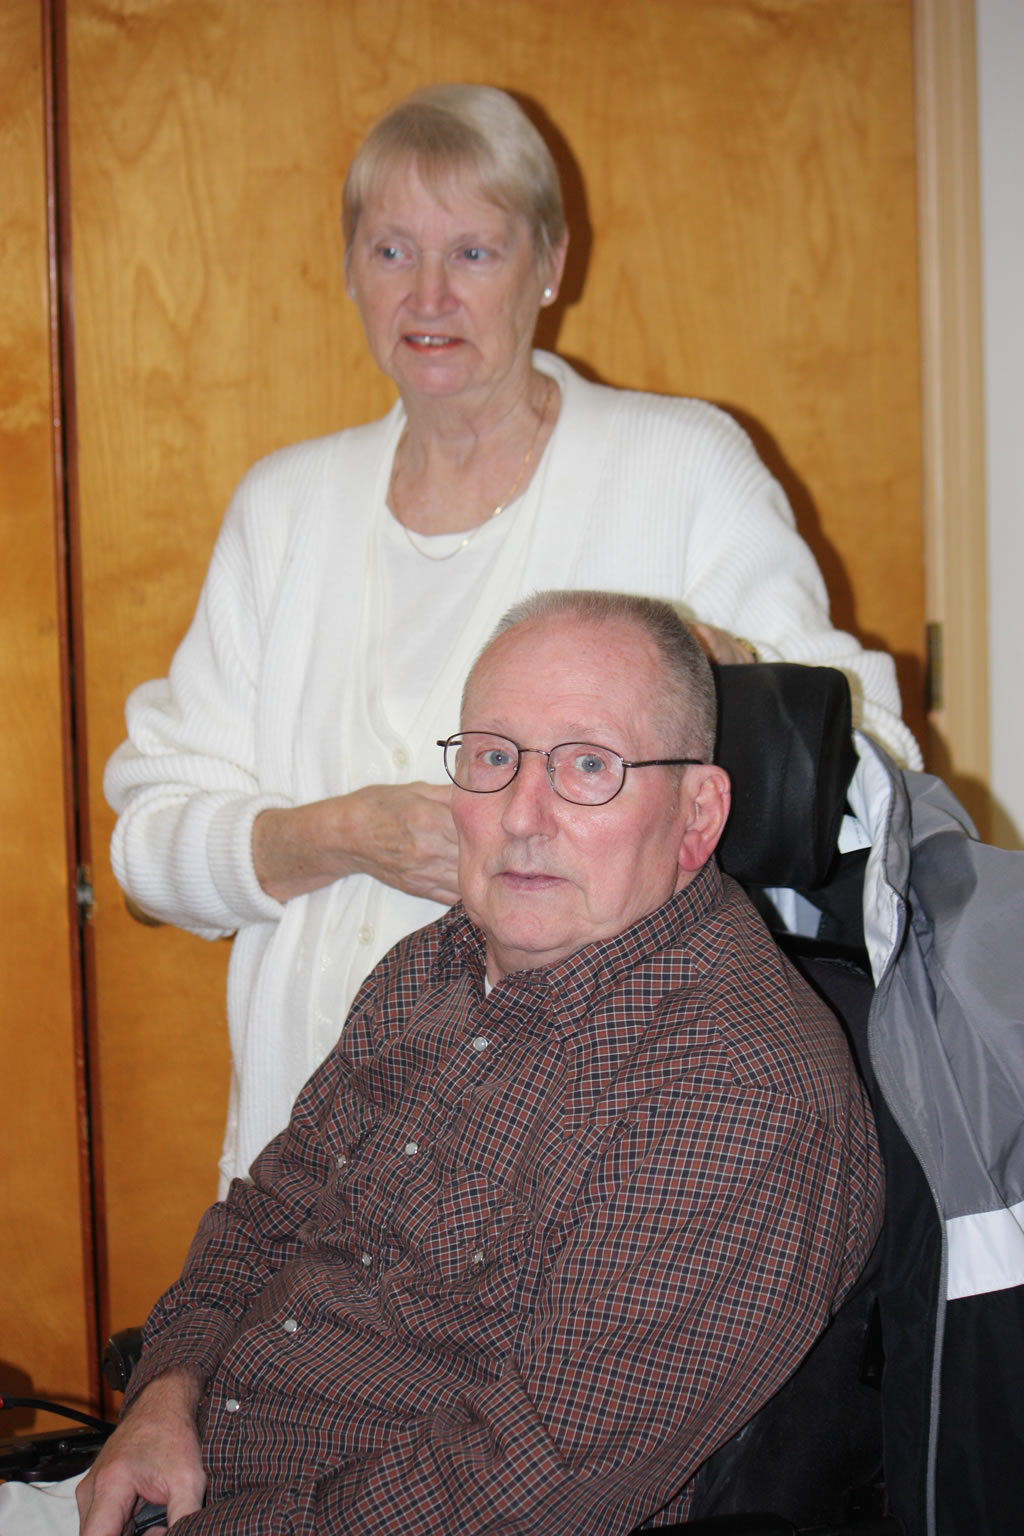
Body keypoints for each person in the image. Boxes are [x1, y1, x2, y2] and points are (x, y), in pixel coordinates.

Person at [104, 82, 921, 1189]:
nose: (428, 294)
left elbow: (873, 770)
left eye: (474, 252)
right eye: (392, 250)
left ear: (551, 263)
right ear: (348, 269)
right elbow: (149, 850)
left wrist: (724, 670)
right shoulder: (281, 509)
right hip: (306, 1171)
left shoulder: (681, 467)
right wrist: (337, 835)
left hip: (595, 1171)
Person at [69, 593, 883, 1536]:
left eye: (589, 766)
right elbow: (268, 1213)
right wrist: (163, 1393)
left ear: (698, 814)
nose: (522, 816)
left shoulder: (740, 1089)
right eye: (494, 758)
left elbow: (526, 1485)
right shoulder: (436, 965)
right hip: (186, 1470)